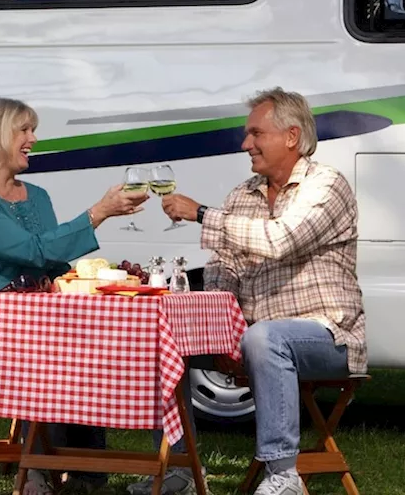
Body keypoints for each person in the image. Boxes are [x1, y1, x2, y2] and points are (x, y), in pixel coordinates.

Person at [136, 88, 365, 495]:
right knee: (161, 337)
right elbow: (226, 269)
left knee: (265, 336)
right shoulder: (243, 195)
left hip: (327, 334)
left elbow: (282, 239)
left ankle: (283, 475)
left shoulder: (327, 185)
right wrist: (214, 322)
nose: (246, 144)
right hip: (254, 336)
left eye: (256, 134)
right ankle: (177, 469)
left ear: (292, 136)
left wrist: (201, 213)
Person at [0, 97, 149, 495]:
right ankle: (40, 473)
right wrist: (96, 213)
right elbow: (32, 251)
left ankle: (85, 475)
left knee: (88, 351)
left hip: (36, 327)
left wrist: (107, 276)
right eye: (24, 130)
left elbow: (52, 266)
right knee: (46, 356)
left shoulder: (37, 196)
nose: (33, 139)